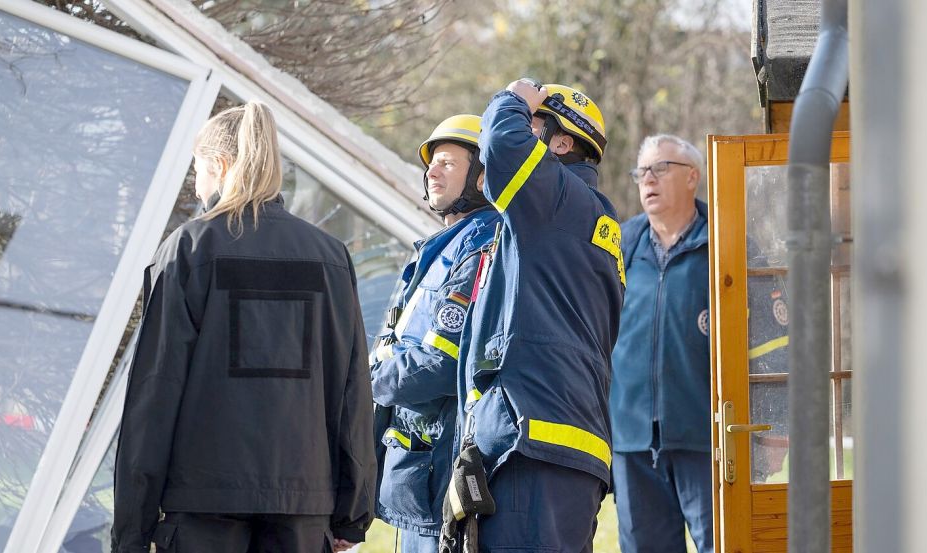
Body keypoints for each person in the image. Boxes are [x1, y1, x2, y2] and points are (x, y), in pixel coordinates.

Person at [111, 102, 375, 553]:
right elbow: (353, 390)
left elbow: (155, 395)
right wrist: (352, 515)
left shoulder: (189, 249)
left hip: (202, 509)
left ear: (218, 165)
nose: (197, 185)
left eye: (198, 170)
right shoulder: (330, 257)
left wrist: (131, 531)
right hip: (303, 508)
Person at [454, 79, 625, 551]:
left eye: (535, 127)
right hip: (549, 444)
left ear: (561, 143)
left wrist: (515, 95)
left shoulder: (556, 197)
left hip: (535, 442)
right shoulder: (576, 215)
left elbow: (502, 143)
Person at [369, 114, 501, 553]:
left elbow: (442, 363)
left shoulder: (483, 244)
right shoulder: (439, 247)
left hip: (440, 472)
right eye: (431, 163)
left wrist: (363, 379)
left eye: (447, 161)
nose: (432, 171)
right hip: (415, 474)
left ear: (482, 177)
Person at [611, 134, 712, 553]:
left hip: (706, 436)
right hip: (631, 440)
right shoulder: (619, 246)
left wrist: (771, 432)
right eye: (641, 172)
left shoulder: (726, 241)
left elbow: (766, 340)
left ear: (692, 177)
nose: (647, 179)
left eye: (659, 169)